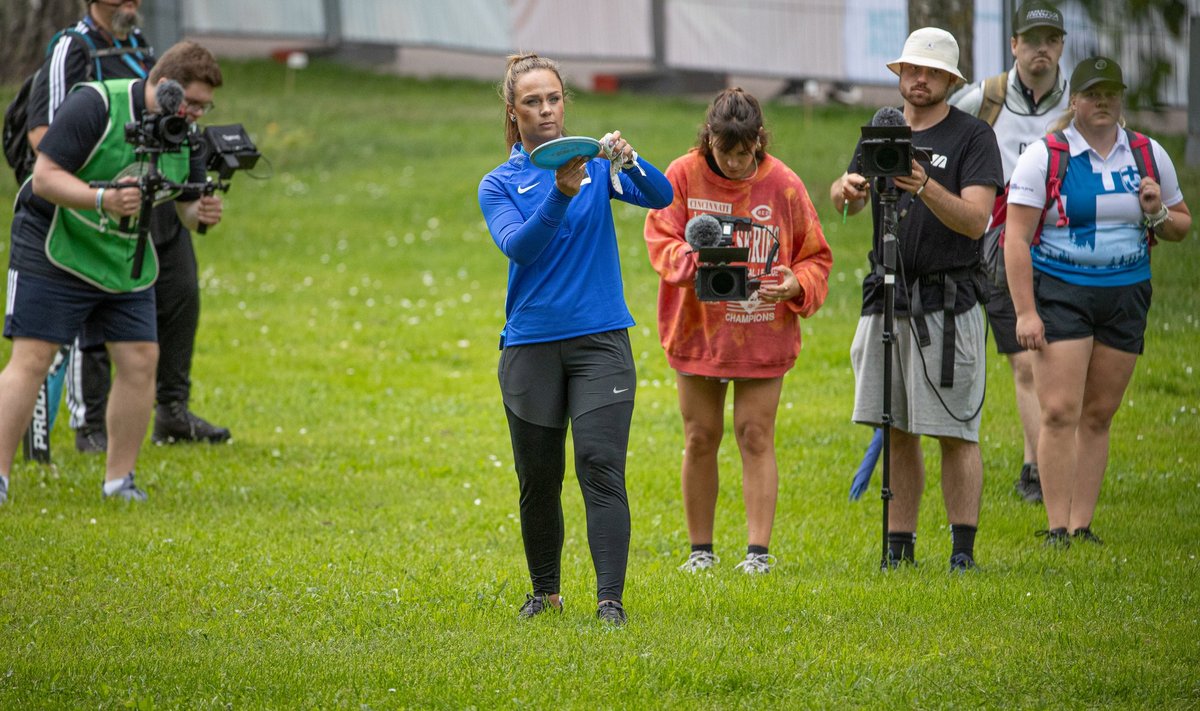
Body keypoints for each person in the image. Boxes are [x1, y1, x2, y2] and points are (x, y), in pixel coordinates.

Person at [478, 53, 673, 624]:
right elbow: (521, 247)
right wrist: (561, 192)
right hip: (531, 345)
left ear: (565, 103)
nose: (545, 110)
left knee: (600, 464)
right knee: (539, 478)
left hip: (600, 341)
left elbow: (659, 197)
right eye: (532, 102)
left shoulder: (595, 166)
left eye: (554, 99)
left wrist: (628, 160)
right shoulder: (500, 183)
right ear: (513, 114)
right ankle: (546, 593)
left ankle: (609, 601)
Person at [0, 40, 225, 505]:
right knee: (34, 358)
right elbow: (43, 177)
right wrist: (102, 198)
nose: (198, 114)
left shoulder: (187, 135)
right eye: (192, 102)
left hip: (122, 253)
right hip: (53, 244)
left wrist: (203, 210)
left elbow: (185, 210)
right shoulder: (94, 103)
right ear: (164, 86)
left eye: (206, 106)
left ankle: (119, 482)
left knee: (142, 358)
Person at [831, 28, 1003, 571]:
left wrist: (925, 184)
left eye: (930, 71)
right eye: (911, 69)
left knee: (954, 430)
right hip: (886, 296)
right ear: (899, 74)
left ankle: (961, 552)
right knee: (895, 427)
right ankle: (898, 548)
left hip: (949, 302)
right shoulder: (883, 130)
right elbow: (851, 203)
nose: (919, 78)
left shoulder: (973, 137)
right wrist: (845, 192)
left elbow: (977, 222)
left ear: (951, 80)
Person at [643, 88, 832, 575]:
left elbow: (816, 257)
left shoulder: (784, 185)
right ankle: (700, 551)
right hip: (698, 332)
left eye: (744, 152)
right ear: (709, 139)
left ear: (758, 142)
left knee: (754, 434)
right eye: (725, 152)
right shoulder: (681, 175)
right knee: (700, 436)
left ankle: (757, 554)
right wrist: (694, 261)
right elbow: (659, 237)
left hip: (761, 331)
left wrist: (794, 283)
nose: (733, 162)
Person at [1004, 56, 1191, 546]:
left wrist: (1156, 212)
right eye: (1092, 93)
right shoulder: (1046, 156)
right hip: (1062, 292)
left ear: (1121, 98)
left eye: (1111, 92)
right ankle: (1055, 526)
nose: (1102, 101)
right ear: (1075, 100)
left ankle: (1081, 525)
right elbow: (1016, 239)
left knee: (1099, 413)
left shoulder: (1149, 155)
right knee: (1061, 410)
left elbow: (1181, 226)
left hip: (1127, 293)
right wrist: (1026, 312)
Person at [950, 0, 1071, 504]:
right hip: (993, 243)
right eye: (1031, 39)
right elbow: (939, 130)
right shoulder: (987, 96)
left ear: (1061, 46)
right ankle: (1036, 470)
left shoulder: (1079, 102)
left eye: (1051, 40)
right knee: (1023, 360)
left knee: (1039, 357)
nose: (1040, 49)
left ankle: (1038, 462)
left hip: (1060, 244)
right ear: (1014, 44)